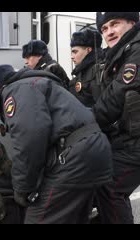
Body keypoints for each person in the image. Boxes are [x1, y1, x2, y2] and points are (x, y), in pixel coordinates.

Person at [0, 64, 112, 224]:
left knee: (38, 219)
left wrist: (22, 188)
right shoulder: (38, 83)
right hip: (95, 151)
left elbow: (29, 140)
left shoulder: (14, 90)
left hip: (74, 157)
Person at [92, 12, 140, 224]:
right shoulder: (118, 53)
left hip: (135, 143)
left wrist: (86, 120)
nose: (109, 32)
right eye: (104, 28)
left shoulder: (136, 51)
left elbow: (117, 94)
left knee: (108, 184)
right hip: (127, 139)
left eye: (115, 24)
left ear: (132, 22)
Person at [69, 28, 104, 108]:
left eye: (75, 52)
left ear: (88, 50)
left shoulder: (99, 70)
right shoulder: (82, 71)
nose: (72, 57)